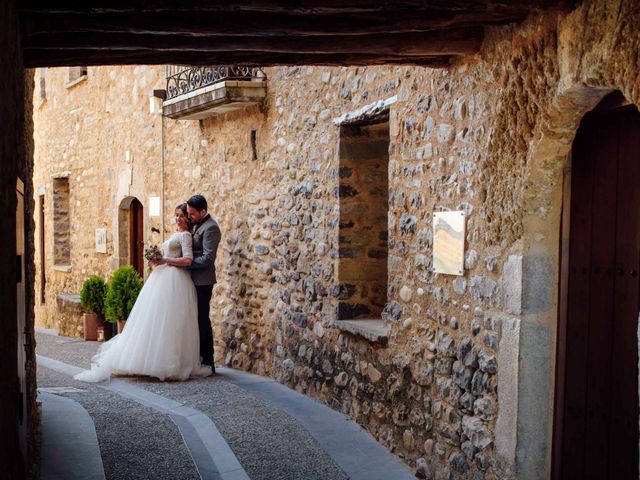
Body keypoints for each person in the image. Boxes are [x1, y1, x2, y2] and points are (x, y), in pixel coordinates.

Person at [74, 204, 210, 382]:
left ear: (187, 219)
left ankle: (168, 362)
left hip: (176, 280)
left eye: (182, 216)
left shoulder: (185, 236)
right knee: (154, 318)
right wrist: (155, 262)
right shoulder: (176, 234)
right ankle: (146, 359)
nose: (178, 219)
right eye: (176, 215)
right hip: (164, 277)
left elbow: (187, 259)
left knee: (169, 322)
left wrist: (164, 260)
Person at [185, 194, 221, 374]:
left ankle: (208, 361)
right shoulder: (196, 224)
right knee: (193, 319)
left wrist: (186, 262)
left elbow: (208, 258)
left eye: (192, 214)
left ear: (203, 211)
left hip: (203, 281)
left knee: (202, 319)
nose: (189, 216)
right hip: (192, 279)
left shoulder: (211, 228)